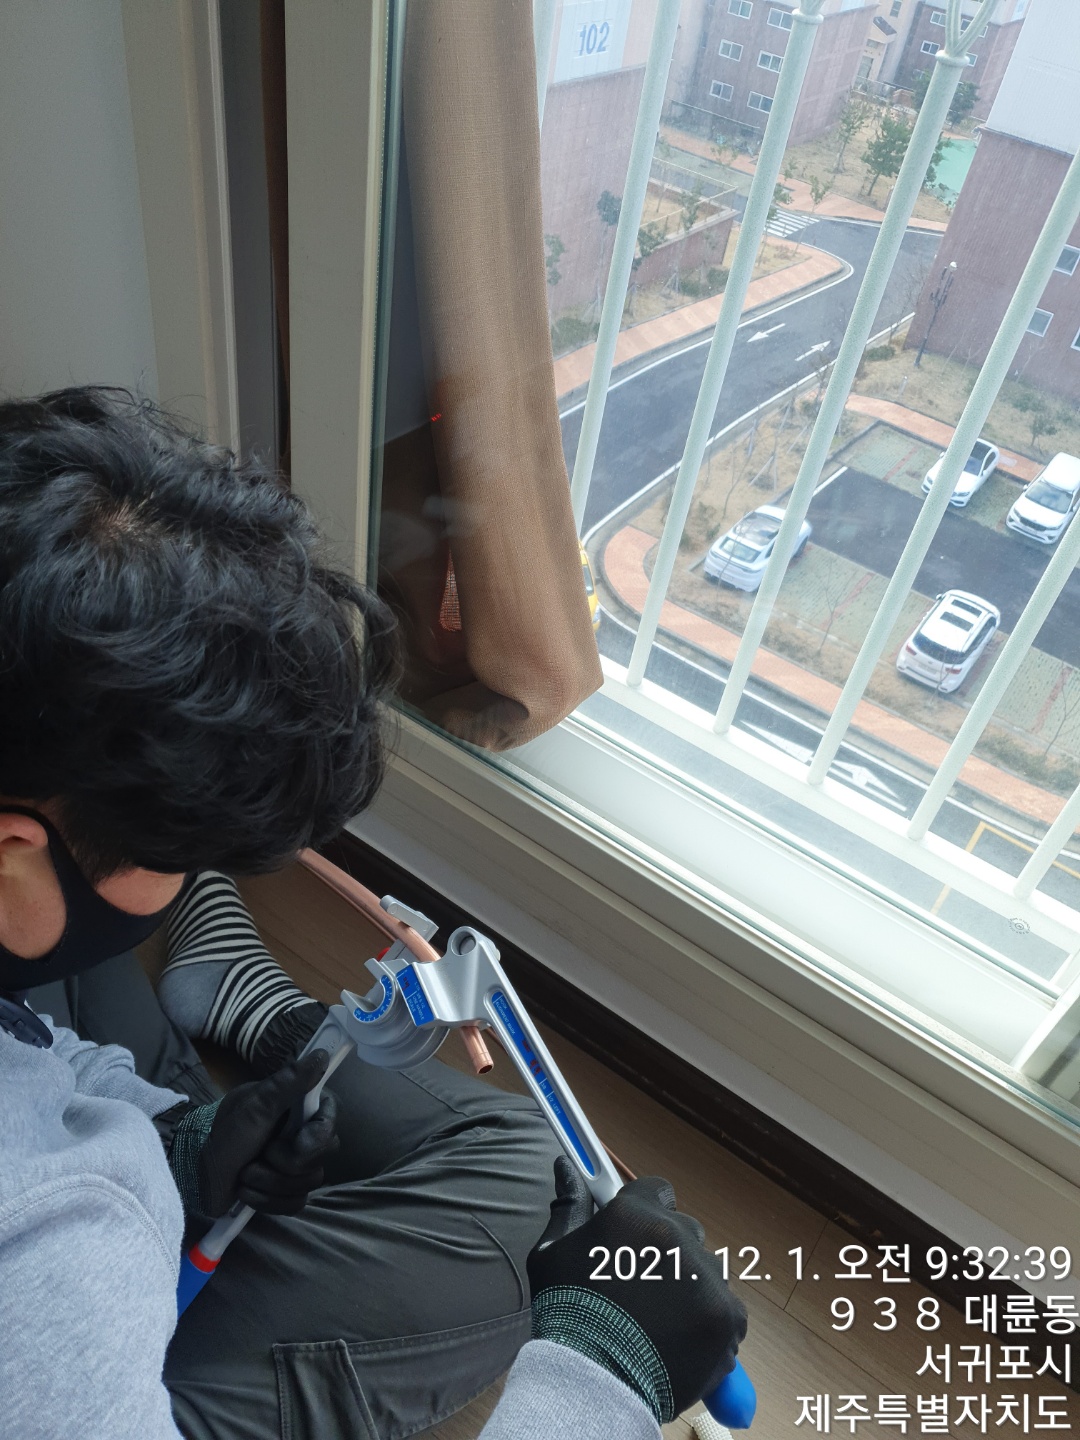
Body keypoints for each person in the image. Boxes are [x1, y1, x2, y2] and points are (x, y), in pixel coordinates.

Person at [0, 387, 747, 1440]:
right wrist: (599, 1377)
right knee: (518, 1185)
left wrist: (182, 1151)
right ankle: (235, 1011)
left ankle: (227, 1015)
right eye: (181, 855)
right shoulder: (52, 1246)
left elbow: (25, 1049)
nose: (201, 871)